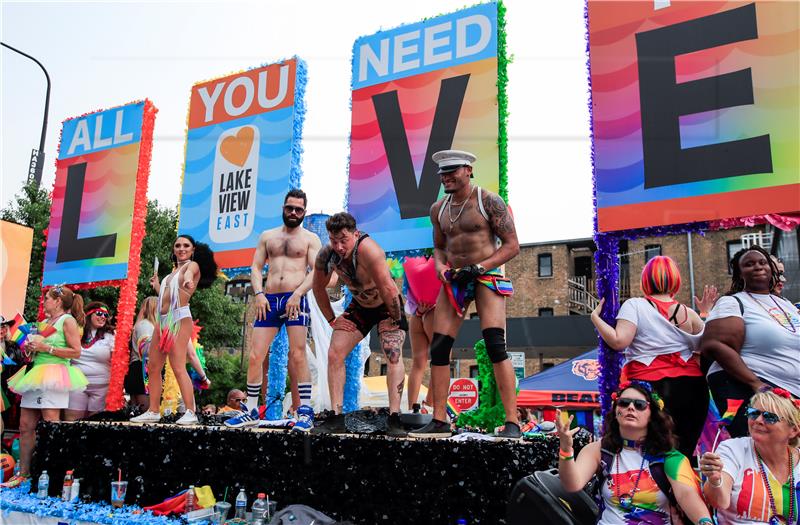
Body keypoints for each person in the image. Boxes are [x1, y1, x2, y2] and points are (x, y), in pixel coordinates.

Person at [409, 150, 521, 439]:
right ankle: (439, 419)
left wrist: (479, 267)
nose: (446, 177)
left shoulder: (489, 201)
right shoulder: (438, 209)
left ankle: (512, 421)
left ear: (468, 170)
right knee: (439, 347)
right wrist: (440, 266)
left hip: (486, 275)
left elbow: (511, 245)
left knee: (496, 345)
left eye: (452, 172)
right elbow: (438, 247)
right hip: (455, 280)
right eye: (442, 174)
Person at [590, 255, 717, 460]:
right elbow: (707, 344)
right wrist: (705, 313)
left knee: (650, 454)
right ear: (675, 279)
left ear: (645, 280)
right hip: (693, 388)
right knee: (682, 454)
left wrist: (595, 318)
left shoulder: (635, 305)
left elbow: (618, 341)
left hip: (651, 386)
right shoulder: (689, 313)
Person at [226, 189, 321, 432]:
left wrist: (298, 294)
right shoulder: (268, 236)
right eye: (290, 208)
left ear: (304, 212)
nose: (293, 212)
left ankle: (305, 412)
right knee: (256, 355)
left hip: (295, 299)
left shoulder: (310, 239)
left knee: (298, 354)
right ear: (283, 207)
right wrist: (258, 294)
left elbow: (317, 272)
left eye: (298, 209)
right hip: (268, 300)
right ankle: (251, 410)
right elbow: (256, 268)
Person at [556, 381, 713, 525]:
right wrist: (566, 449)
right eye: (624, 403)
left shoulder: (670, 458)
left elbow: (687, 495)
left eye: (639, 405)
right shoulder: (597, 450)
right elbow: (572, 484)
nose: (630, 407)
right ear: (616, 410)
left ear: (652, 414)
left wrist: (705, 521)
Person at [310, 212, 408, 436]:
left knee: (393, 354)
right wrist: (332, 320)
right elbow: (317, 288)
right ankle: (336, 417)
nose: (339, 247)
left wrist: (396, 318)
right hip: (361, 306)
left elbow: (389, 289)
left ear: (355, 234)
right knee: (335, 353)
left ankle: (394, 417)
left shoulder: (369, 250)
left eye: (344, 240)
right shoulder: (326, 256)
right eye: (334, 241)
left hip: (386, 305)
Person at [700, 245, 800, 438]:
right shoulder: (733, 302)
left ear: (772, 270)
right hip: (758, 392)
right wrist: (757, 385)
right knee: (763, 456)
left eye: (763, 262)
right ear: (739, 273)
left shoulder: (786, 304)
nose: (758, 267)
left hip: (793, 393)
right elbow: (714, 345)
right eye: (749, 264)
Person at [2, 286, 88, 488]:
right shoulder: (43, 323)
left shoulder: (68, 321)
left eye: (47, 298)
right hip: (35, 373)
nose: (44, 301)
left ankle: (52, 473)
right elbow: (36, 351)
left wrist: (46, 347)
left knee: (50, 424)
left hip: (55, 374)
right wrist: (31, 350)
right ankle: (23, 473)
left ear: (58, 301)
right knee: (25, 425)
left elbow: (76, 352)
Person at [130, 234, 217, 425]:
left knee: (178, 366)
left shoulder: (191, 266)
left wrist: (187, 280)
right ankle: (153, 410)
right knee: (153, 366)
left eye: (186, 245)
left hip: (179, 319)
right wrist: (157, 287)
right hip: (162, 322)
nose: (181, 248)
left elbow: (187, 275)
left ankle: (191, 412)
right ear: (173, 249)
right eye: (178, 245)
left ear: (193, 250)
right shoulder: (170, 274)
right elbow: (167, 299)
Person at [700, 388, 800, 525]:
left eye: (769, 417)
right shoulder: (733, 449)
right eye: (753, 413)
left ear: (793, 430)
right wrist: (715, 480)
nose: (758, 420)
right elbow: (720, 501)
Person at [65, 301, 115, 420]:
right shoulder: (76, 332)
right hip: (77, 384)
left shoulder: (111, 335)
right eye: (99, 313)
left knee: (95, 424)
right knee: (72, 421)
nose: (103, 317)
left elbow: (117, 362)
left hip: (102, 387)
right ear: (89, 314)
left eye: (105, 315)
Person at [402, 256, 440, 413]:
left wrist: (419, 310)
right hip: (434, 311)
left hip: (416, 314)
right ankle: (429, 405)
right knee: (441, 360)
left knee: (418, 364)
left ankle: (412, 408)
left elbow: (407, 289)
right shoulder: (440, 257)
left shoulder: (410, 258)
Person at [126, 296, 157, 409]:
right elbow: (145, 350)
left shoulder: (148, 325)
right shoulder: (145, 325)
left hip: (142, 369)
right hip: (142, 369)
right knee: (145, 409)